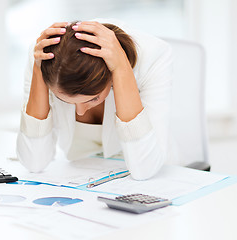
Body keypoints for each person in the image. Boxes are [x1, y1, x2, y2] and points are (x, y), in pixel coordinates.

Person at [16, 19, 175, 180]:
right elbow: (33, 163)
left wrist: (121, 69)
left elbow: (144, 169)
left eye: (93, 98)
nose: (80, 111)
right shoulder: (43, 57)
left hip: (148, 176)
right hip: (80, 178)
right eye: (63, 99)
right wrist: (38, 70)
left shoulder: (153, 57)